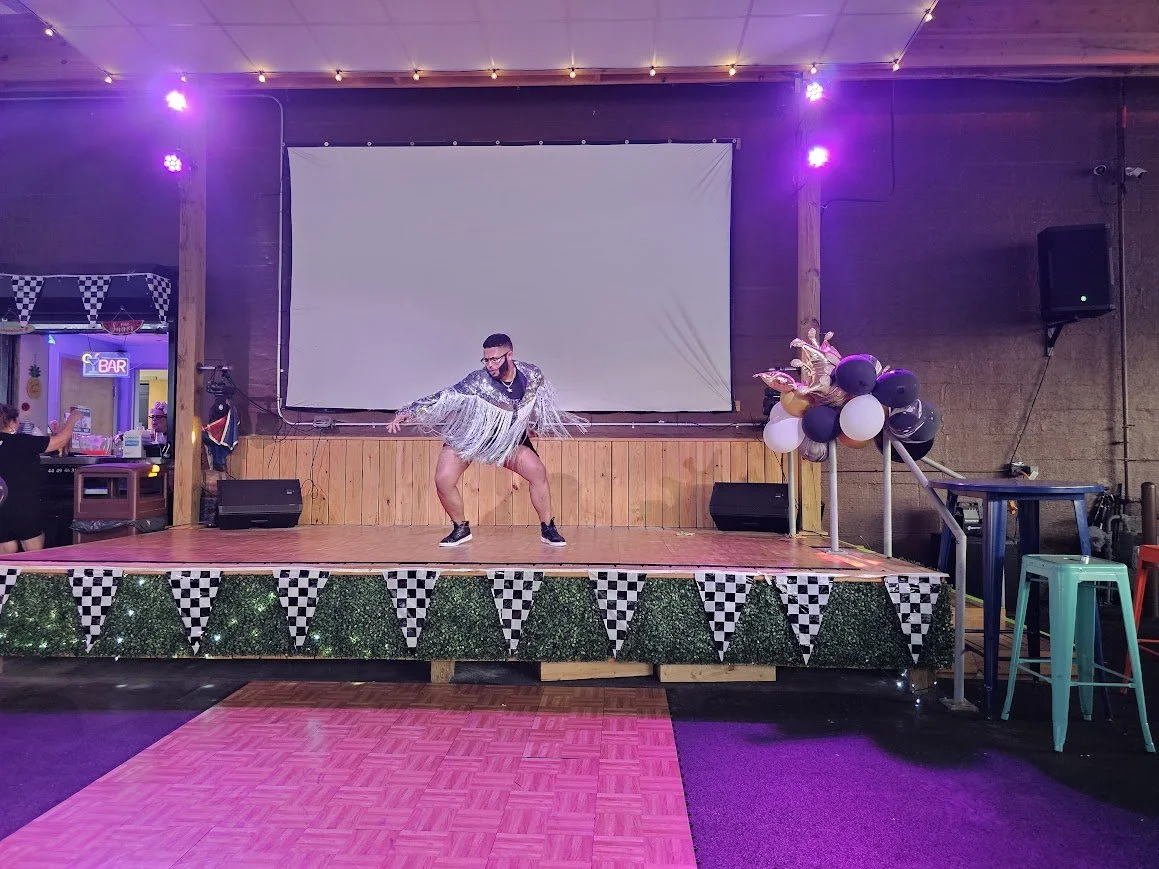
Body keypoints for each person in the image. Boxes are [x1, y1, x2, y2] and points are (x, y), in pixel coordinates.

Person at [388, 334, 586, 547]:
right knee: (443, 479)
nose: (489, 365)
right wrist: (410, 410)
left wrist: (534, 427)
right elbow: (445, 396)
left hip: (506, 437)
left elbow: (540, 404)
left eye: (494, 359)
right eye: (486, 360)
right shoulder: (477, 380)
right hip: (471, 435)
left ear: (509, 355)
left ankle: (548, 528)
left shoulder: (531, 375)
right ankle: (460, 528)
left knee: (537, 472)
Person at [0, 404, 84, 553]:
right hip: (25, 507)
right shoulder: (22, 441)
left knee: (6, 552)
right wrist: (73, 419)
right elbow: (60, 441)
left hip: (2, 506)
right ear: (11, 423)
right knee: (33, 554)